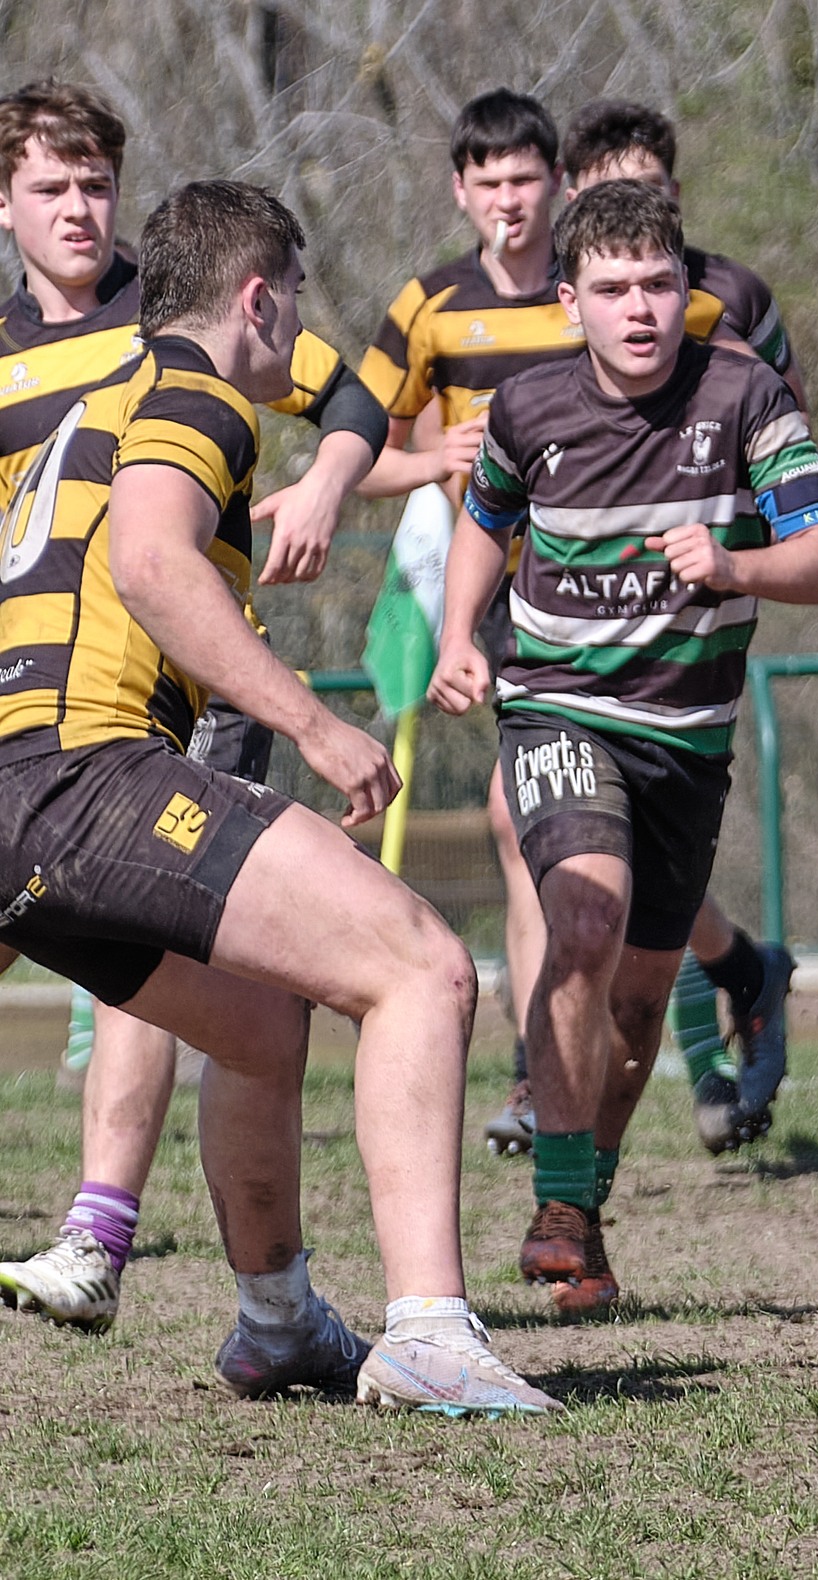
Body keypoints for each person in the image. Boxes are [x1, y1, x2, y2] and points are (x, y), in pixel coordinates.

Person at [0, 178, 553, 1413]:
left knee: (257, 1021)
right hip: (83, 770)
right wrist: (315, 722)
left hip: (17, 797)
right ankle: (430, 1331)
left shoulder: (85, 405)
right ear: (261, 298)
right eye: (294, 298)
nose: (299, 327)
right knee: (421, 963)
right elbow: (151, 562)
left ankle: (277, 1321)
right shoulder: (194, 390)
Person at [0, 80, 392, 1356]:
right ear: (4, 204)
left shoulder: (179, 317)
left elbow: (348, 399)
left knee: (166, 959)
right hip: (35, 702)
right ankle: (257, 1302)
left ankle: (100, 1232)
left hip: (184, 681)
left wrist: (328, 484)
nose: (76, 208)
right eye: (50, 187)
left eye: (94, 183)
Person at [428, 179, 818, 1315]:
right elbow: (486, 517)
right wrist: (459, 633)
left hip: (687, 741)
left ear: (685, 289)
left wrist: (734, 563)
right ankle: (558, 1206)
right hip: (557, 705)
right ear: (571, 301)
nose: (638, 309)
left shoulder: (747, 395)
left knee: (640, 998)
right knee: (584, 910)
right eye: (611, 289)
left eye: (657, 284)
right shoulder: (529, 407)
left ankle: (585, 1209)